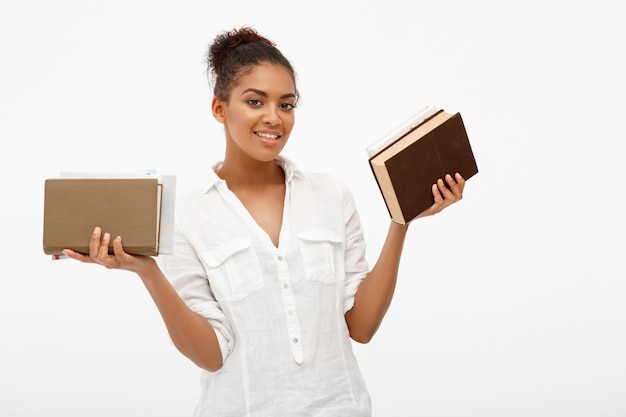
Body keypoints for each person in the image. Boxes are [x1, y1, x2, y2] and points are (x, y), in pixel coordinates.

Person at [64, 26, 465, 416]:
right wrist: (149, 273)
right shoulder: (187, 214)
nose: (274, 117)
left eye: (286, 104)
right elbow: (210, 355)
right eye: (256, 102)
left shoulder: (331, 195)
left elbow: (360, 327)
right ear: (220, 109)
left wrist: (401, 221)